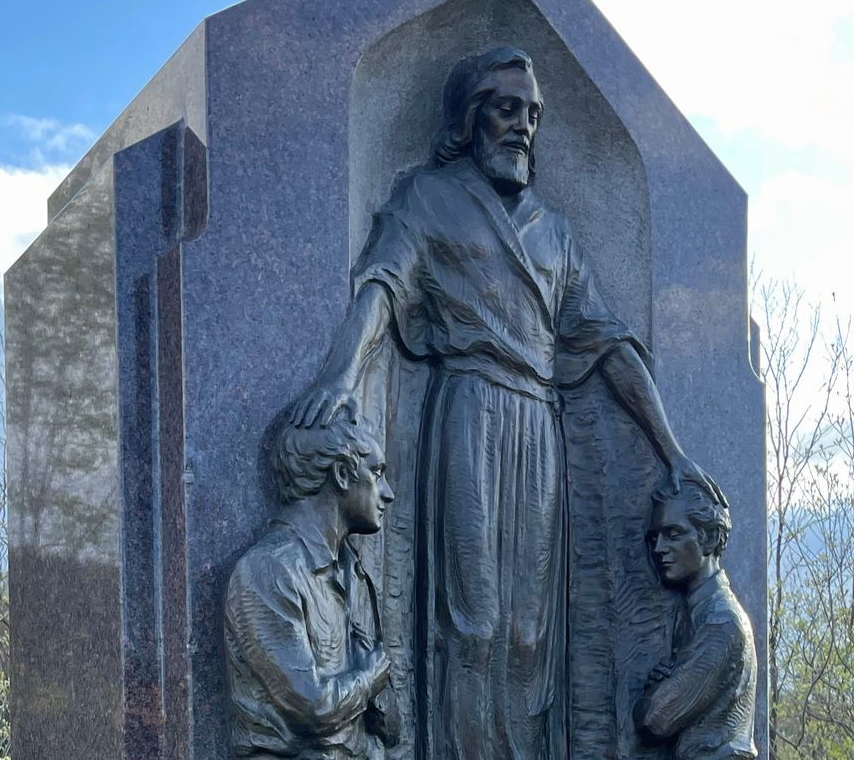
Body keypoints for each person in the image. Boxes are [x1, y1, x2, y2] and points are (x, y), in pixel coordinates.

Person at [289, 47, 717, 758]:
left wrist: (672, 452)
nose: (523, 124)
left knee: (528, 634)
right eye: (506, 107)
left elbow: (607, 343)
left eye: (533, 113)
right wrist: (339, 376)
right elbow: (382, 287)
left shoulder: (553, 232)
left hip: (536, 425)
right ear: (470, 116)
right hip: (467, 411)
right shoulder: (426, 197)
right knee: (474, 621)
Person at [223, 416, 399, 758]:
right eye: (377, 473)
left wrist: (376, 692)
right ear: (343, 475)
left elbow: (389, 725)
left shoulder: (354, 574)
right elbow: (311, 707)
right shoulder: (269, 570)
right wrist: (368, 681)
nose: (387, 493)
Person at [637, 479, 757, 759]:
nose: (658, 548)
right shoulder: (694, 614)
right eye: (655, 538)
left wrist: (656, 691)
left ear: (711, 538)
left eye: (673, 534)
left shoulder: (721, 624)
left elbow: (655, 719)